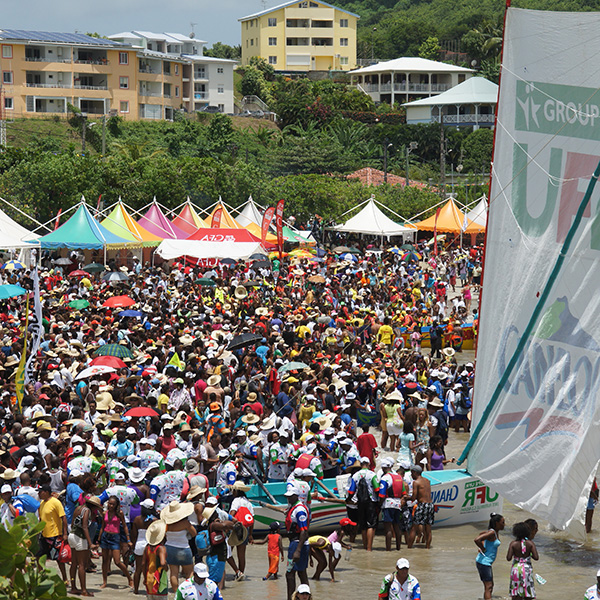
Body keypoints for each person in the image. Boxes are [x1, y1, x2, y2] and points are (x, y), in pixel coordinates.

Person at [69, 495, 102, 596]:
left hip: (72, 535)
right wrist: (90, 543)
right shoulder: (87, 511)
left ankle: (73, 587)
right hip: (80, 537)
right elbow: (84, 527)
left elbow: (73, 523)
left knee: (74, 563)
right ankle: (84, 590)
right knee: (82, 565)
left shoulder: (78, 508)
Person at [160, 501, 197, 593]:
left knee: (173, 573)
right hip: (183, 548)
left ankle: (176, 593)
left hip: (169, 548)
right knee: (189, 572)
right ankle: (188, 591)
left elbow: (163, 536)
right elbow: (194, 534)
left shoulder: (166, 524)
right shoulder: (185, 523)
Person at [98, 495, 133, 589]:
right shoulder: (105, 513)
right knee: (105, 561)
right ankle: (104, 581)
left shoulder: (120, 513)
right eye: (110, 503)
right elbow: (102, 527)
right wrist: (99, 539)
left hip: (115, 537)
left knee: (117, 561)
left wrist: (128, 539)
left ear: (116, 505)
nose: (111, 506)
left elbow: (124, 526)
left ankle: (129, 578)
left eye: (113, 504)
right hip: (105, 536)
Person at [346, 456, 379, 552]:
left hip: (360, 503)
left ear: (360, 465)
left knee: (363, 525)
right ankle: (369, 548)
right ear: (368, 464)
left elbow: (351, 491)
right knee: (371, 525)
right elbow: (377, 489)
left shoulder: (355, 475)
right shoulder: (372, 474)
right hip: (371, 502)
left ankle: (364, 546)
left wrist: (348, 500)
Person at [38, 484, 68, 582]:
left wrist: (65, 533)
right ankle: (41, 578)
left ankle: (65, 578)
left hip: (54, 535)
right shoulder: (42, 503)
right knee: (39, 557)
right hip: (44, 534)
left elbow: (63, 517)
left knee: (59, 559)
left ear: (46, 492)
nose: (38, 494)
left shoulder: (55, 502)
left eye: (40, 492)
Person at [284, 485, 310, 600]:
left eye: (291, 496)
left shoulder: (300, 510)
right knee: (300, 572)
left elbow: (304, 532)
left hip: (298, 544)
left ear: (296, 496)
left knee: (290, 574)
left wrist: (298, 551)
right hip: (294, 543)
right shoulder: (293, 507)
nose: (288, 498)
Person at [474, 513, 505, 600]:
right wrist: (482, 548)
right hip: (484, 562)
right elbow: (477, 539)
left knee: (490, 586)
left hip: (484, 562)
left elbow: (481, 535)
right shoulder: (492, 533)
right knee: (489, 586)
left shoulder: (493, 532)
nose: (504, 525)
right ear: (496, 523)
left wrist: (483, 545)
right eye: (502, 522)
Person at [506, 521, 539, 599]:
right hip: (526, 569)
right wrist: (528, 554)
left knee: (516, 591)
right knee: (528, 590)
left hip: (516, 569)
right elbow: (536, 557)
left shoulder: (513, 544)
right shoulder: (530, 543)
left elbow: (508, 558)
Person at [407, 465, 434, 549]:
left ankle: (409, 548)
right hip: (430, 505)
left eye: (412, 473)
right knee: (428, 529)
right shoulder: (427, 481)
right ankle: (427, 547)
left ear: (415, 473)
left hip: (422, 505)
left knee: (414, 528)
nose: (411, 475)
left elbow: (414, 497)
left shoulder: (416, 482)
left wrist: (406, 497)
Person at [142, 519, 169, 600]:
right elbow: (163, 563)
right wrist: (166, 568)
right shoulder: (161, 548)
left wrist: (145, 578)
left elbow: (143, 564)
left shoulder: (147, 548)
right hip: (159, 579)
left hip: (149, 578)